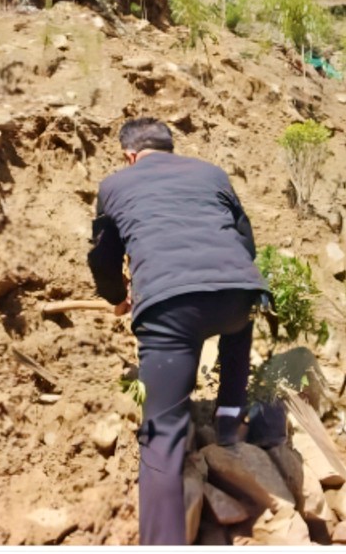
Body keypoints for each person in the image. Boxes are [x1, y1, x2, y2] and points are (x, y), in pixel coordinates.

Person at [86, 118, 270, 546]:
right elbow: (246, 242)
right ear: (171, 148)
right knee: (238, 326)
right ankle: (229, 421)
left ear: (129, 156)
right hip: (238, 294)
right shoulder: (211, 173)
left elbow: (103, 257)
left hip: (170, 309)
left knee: (161, 434)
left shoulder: (115, 185)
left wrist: (116, 295)